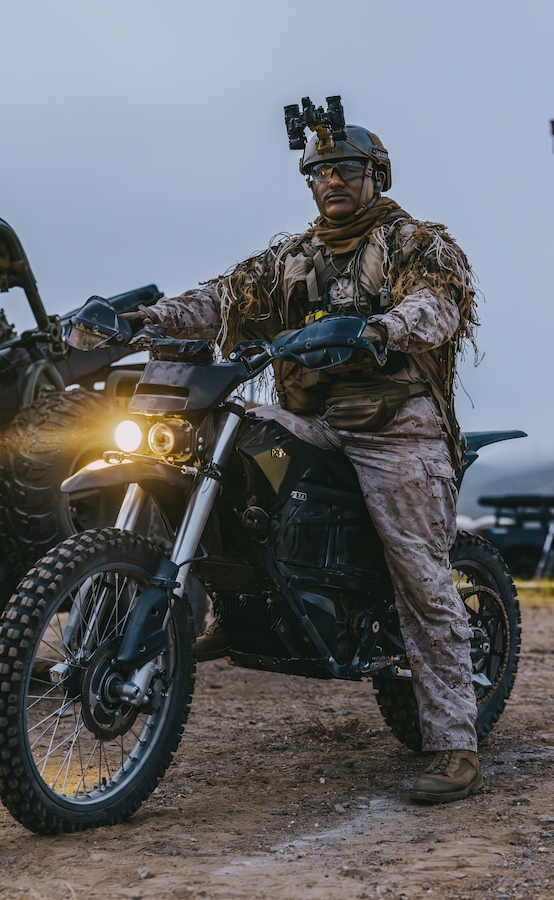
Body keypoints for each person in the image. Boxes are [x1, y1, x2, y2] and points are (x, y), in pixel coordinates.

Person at [126, 116, 482, 805]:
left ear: (375, 175)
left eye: (345, 170)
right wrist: (150, 318)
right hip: (313, 421)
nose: (331, 182)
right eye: (319, 173)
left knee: (419, 573)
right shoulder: (291, 257)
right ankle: (241, 594)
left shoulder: (415, 242)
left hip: (396, 427)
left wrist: (384, 328)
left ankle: (454, 744)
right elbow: (222, 297)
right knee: (232, 440)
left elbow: (436, 305)